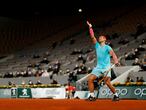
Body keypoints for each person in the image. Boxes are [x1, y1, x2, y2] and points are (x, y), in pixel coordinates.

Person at [86, 21, 120, 101]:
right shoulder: (97, 45)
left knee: (107, 83)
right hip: (98, 67)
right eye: (99, 37)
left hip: (106, 67)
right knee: (90, 79)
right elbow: (92, 36)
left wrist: (116, 61)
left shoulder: (108, 47)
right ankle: (92, 96)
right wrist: (90, 27)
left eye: (101, 37)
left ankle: (116, 95)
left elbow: (113, 55)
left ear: (105, 39)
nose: (99, 38)